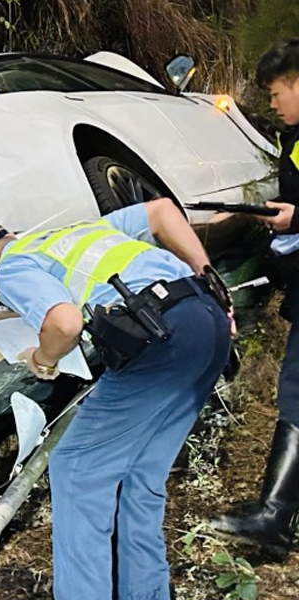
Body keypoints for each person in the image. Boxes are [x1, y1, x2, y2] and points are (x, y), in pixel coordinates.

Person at [0, 197, 234, 600]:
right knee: (139, 477)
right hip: (207, 320)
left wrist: (43, 358)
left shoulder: (9, 266)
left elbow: (63, 322)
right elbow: (162, 211)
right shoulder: (77, 231)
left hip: (159, 341)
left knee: (75, 469)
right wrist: (208, 276)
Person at [209, 38, 299, 560]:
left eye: (275, 91)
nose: (270, 103)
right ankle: (277, 515)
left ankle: (275, 517)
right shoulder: (293, 137)